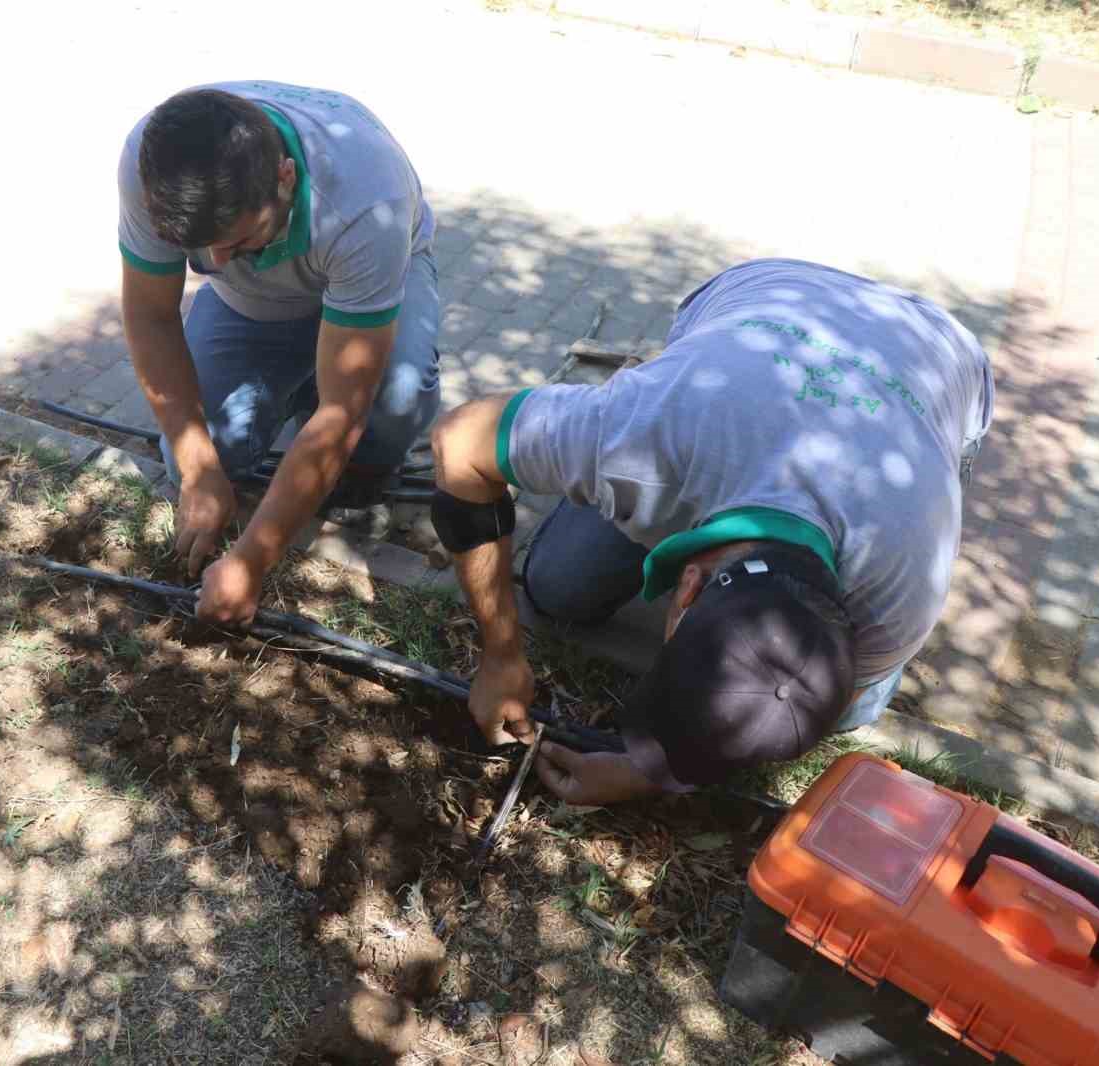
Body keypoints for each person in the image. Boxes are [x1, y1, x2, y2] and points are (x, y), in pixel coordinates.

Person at [428, 258, 994, 804]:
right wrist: (500, 653)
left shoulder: (903, 595)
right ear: (687, 586)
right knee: (560, 587)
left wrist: (650, 775)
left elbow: (799, 698)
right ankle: (671, 368)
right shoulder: (641, 433)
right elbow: (459, 443)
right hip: (773, 292)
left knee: (851, 710)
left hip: (939, 360)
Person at [117, 81, 439, 625]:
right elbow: (150, 316)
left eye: (240, 242)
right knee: (196, 453)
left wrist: (251, 560)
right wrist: (198, 469)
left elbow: (342, 411)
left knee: (394, 399)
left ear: (285, 177)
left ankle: (362, 471)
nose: (217, 262)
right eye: (201, 248)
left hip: (368, 275)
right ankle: (299, 381)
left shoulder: (366, 205)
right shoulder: (153, 165)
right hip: (255, 305)